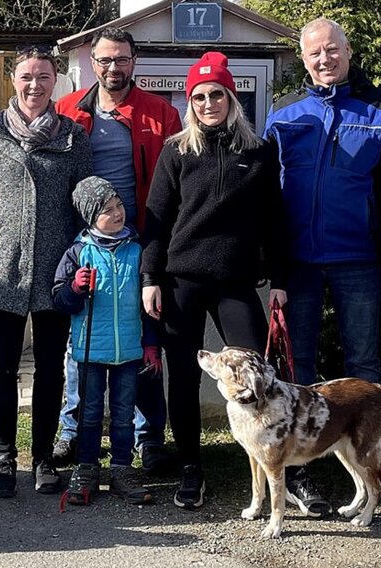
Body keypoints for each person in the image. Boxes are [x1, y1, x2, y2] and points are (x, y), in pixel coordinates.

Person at [262, 18, 381, 517]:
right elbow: (264, 191)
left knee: (364, 371)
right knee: (298, 372)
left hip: (359, 258)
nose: (324, 59)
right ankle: (302, 476)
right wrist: (270, 262)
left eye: (333, 50)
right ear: (303, 59)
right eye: (315, 53)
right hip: (299, 263)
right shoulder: (283, 114)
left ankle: (375, 466)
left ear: (349, 53)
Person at [142, 52, 287, 509]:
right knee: (182, 376)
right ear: (190, 102)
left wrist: (280, 279)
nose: (208, 103)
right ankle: (190, 468)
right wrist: (150, 276)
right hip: (180, 280)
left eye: (216, 95)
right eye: (200, 96)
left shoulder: (259, 152)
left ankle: (282, 467)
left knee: (260, 374)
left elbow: (274, 222)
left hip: (235, 281)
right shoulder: (175, 150)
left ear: (231, 98)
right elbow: (157, 220)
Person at [0, 46, 93, 498]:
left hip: (56, 275)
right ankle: (3, 456)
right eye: (26, 76)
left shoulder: (73, 137)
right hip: (3, 273)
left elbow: (85, 207)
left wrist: (83, 263)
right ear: (13, 80)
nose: (34, 85)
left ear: (55, 81)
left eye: (43, 76)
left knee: (50, 369)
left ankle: (41, 458)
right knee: (1, 368)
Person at [53, 27, 183, 473]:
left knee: (145, 340)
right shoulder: (68, 111)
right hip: (85, 243)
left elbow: (176, 183)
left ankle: (150, 440)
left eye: (122, 59)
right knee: (81, 339)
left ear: (134, 61)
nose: (114, 68)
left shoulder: (161, 113)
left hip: (142, 242)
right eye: (105, 60)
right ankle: (72, 434)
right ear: (93, 64)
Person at [53, 176, 159, 505]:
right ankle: (86, 467)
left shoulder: (136, 251)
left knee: (124, 412)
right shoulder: (78, 252)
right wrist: (74, 288)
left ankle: (122, 469)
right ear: (89, 218)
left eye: (118, 206)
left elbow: (148, 307)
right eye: (107, 210)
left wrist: (151, 344)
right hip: (89, 352)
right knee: (90, 412)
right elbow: (59, 299)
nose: (117, 214)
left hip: (128, 350)